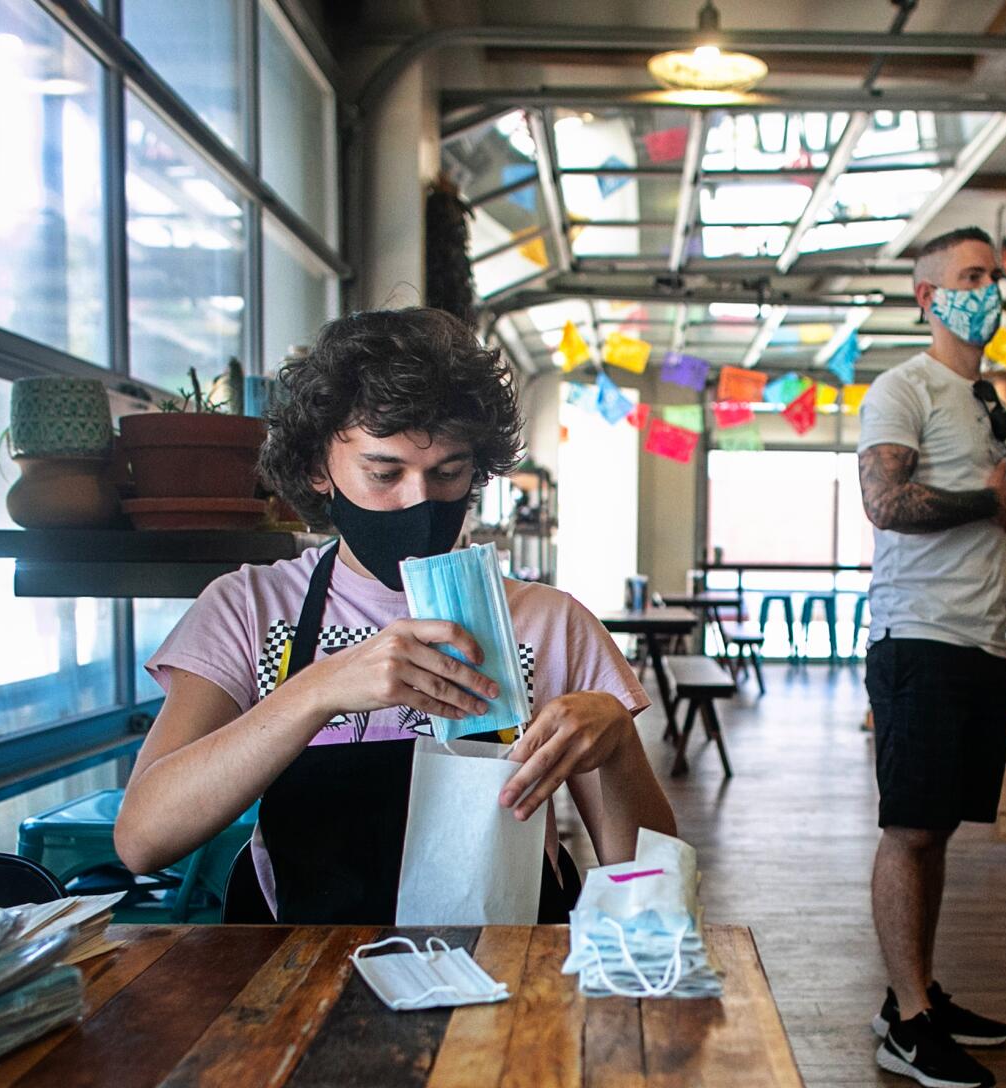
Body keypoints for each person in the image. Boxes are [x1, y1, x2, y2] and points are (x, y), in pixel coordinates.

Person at [114, 307, 677, 923]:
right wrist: (316, 691)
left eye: (448, 472)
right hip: (298, 976)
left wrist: (619, 744)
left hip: (509, 977)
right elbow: (143, 840)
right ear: (316, 469)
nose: (418, 502)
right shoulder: (248, 607)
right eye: (384, 473)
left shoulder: (552, 624)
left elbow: (649, 886)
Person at [855, 225, 1006, 1088]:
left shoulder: (990, 402)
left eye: (993, 275)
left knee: (939, 829)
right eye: (969, 275)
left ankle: (913, 996)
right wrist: (983, 501)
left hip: (979, 640)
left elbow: (996, 531)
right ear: (927, 296)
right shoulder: (903, 386)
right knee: (909, 827)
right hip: (918, 638)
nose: (987, 288)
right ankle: (908, 1024)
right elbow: (884, 500)